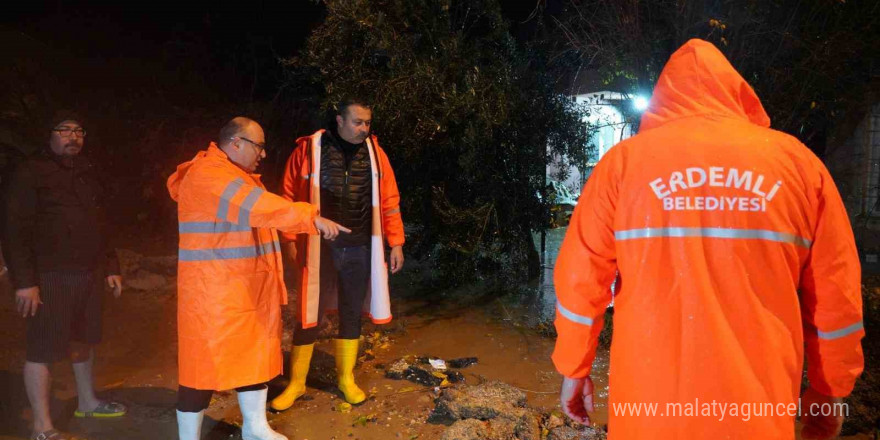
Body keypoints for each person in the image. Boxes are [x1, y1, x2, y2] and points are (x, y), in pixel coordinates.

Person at [553, 39, 864, 440]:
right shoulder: (801, 167)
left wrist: (573, 369)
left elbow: (580, 283)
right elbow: (837, 298)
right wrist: (829, 392)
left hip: (647, 414)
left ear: (664, 99)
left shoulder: (623, 166)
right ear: (737, 94)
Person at [166, 117, 349, 440]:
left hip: (244, 289)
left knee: (253, 357)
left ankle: (255, 427)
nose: (263, 154)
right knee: (202, 368)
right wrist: (310, 218)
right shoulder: (209, 174)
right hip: (214, 295)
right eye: (259, 146)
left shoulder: (235, 176)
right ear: (236, 142)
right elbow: (259, 208)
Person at [270, 98, 405, 411]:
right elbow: (287, 196)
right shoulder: (308, 150)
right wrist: (289, 238)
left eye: (368, 123)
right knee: (308, 314)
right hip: (317, 246)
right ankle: (297, 383)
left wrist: (396, 242)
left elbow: (390, 200)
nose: (364, 129)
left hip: (358, 244)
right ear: (339, 121)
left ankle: (345, 378)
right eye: (357, 122)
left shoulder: (376, 154)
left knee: (350, 311)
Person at [6, 116, 126, 440]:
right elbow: (14, 230)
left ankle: (87, 401)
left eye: (78, 131)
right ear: (49, 135)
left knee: (83, 341)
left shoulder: (86, 171)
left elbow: (101, 222)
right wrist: (24, 282)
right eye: (64, 130)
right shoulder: (30, 172)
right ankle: (42, 427)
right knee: (42, 349)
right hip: (48, 276)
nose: (73, 136)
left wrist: (111, 264)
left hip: (88, 273)